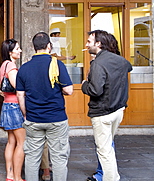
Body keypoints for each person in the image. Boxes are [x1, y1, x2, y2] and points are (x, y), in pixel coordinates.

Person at [17, 32, 73, 181]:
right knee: (59, 158)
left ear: (33, 47)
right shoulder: (57, 64)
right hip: (57, 118)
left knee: (32, 158)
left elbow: (20, 95)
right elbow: (69, 90)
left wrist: (25, 114)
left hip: (34, 118)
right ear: (49, 46)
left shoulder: (24, 68)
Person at [82, 30, 132, 181]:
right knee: (108, 146)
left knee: (104, 151)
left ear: (98, 43)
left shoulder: (98, 63)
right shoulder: (120, 60)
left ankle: (111, 178)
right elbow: (128, 67)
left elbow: (95, 90)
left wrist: (84, 84)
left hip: (103, 113)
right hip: (118, 109)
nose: (86, 44)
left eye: (89, 41)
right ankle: (103, 175)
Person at [0, 39, 25, 181]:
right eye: (17, 48)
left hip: (6, 105)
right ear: (10, 51)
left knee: (11, 141)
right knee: (21, 143)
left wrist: (0, 90)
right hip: (15, 106)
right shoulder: (11, 66)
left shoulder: (4, 65)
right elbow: (18, 87)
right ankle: (18, 177)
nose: (20, 51)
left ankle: (10, 175)